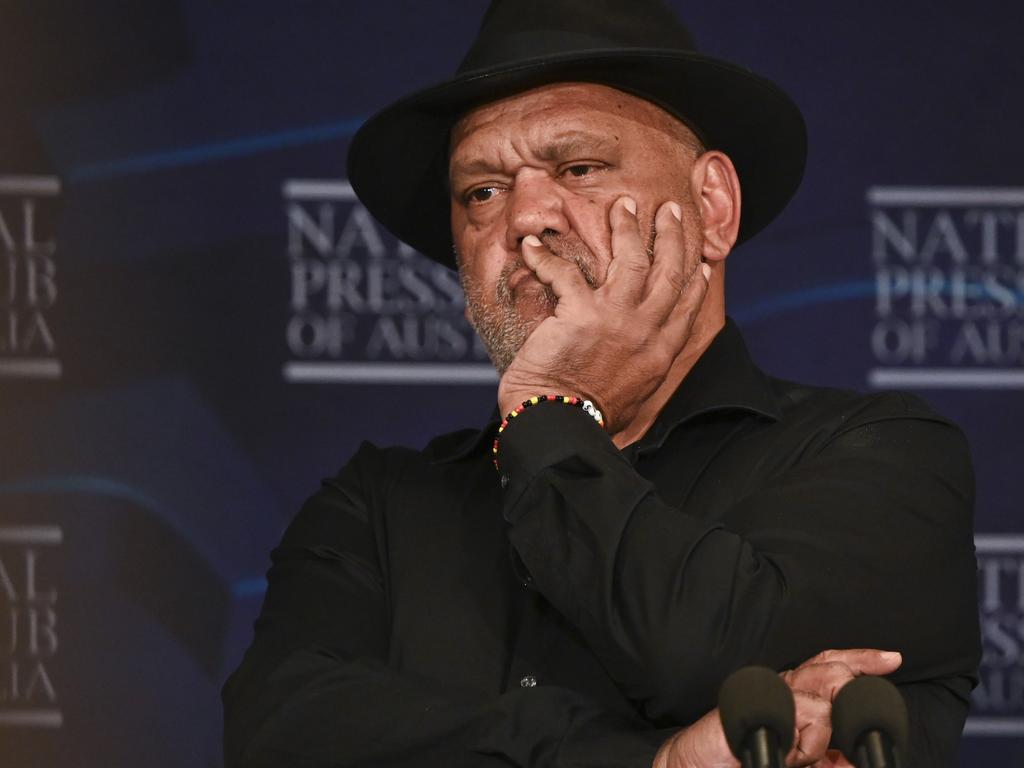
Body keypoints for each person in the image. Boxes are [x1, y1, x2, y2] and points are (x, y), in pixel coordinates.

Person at [222, 1, 981, 766]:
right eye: (481, 191)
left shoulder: (878, 457)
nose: (525, 219)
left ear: (712, 206)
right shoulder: (380, 506)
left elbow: (698, 651)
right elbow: (280, 734)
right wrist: (657, 760)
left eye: (578, 168)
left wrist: (550, 412)